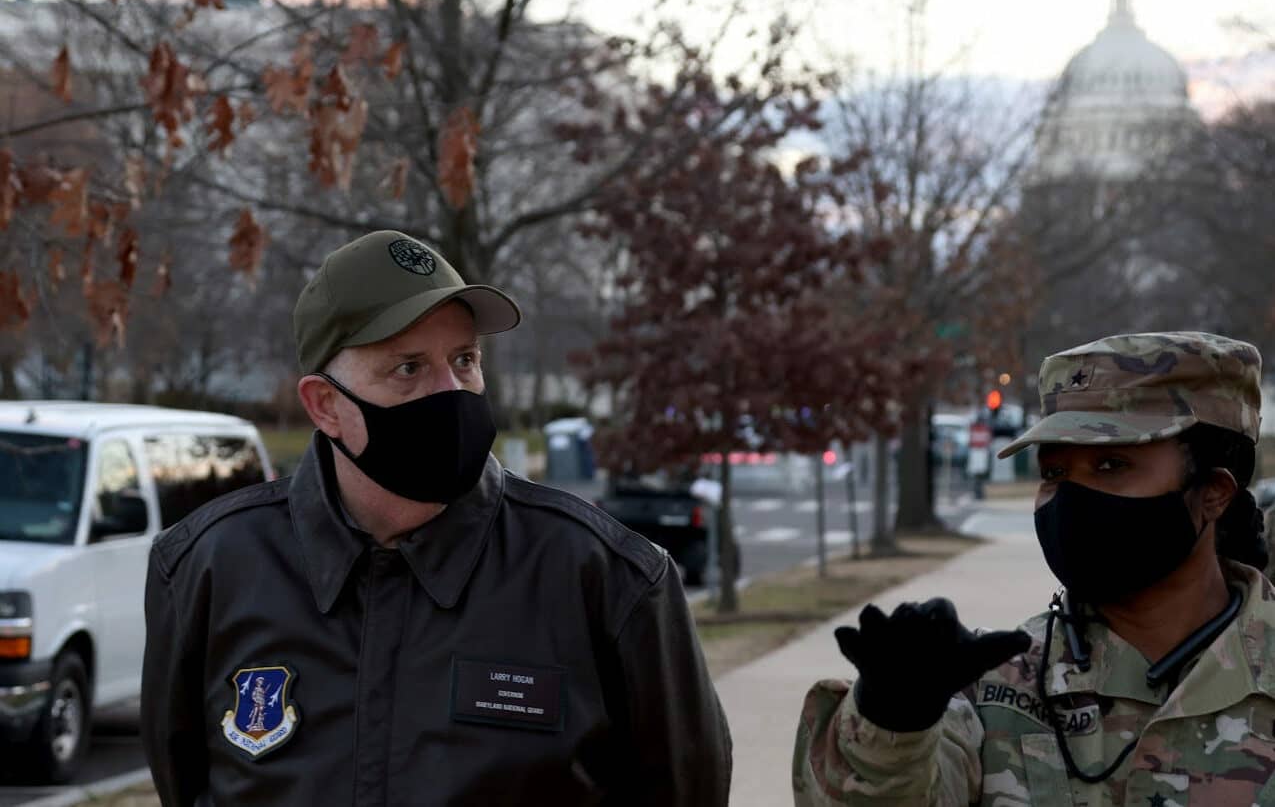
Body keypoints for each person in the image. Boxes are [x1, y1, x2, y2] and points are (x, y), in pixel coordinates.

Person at [140, 230, 731, 806]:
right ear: (325, 406)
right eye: (408, 369)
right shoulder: (206, 568)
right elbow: (184, 780)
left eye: (464, 360)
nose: (451, 393)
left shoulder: (609, 579)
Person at [792, 331, 1275, 806]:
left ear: (1214, 492)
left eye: (1110, 465)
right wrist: (891, 721)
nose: (1071, 499)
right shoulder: (993, 691)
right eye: (1054, 473)